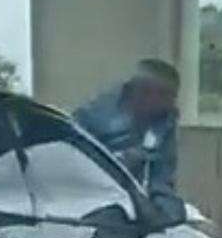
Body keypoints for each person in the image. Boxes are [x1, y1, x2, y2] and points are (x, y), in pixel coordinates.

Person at [74, 59, 183, 225]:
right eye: (167, 96)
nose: (171, 104)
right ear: (142, 91)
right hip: (88, 201)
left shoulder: (165, 120)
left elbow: (162, 177)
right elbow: (74, 167)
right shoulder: (93, 116)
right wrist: (118, 162)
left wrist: (169, 214)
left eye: (173, 97)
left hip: (132, 204)